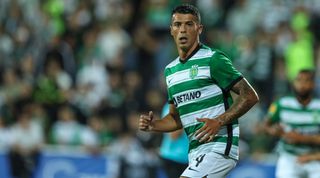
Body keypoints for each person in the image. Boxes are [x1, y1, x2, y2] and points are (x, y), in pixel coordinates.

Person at [139, 4, 259, 178]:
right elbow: (175, 118)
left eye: (189, 24)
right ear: (171, 30)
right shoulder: (170, 71)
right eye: (177, 25)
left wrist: (218, 121)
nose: (183, 30)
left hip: (219, 148)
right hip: (195, 152)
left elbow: (250, 95)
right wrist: (154, 125)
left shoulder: (213, 59)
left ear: (199, 29)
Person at [263, 69, 320, 178]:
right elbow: (266, 125)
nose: (302, 85)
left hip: (314, 157)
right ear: (293, 83)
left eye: (306, 81)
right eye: (299, 80)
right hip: (289, 157)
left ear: (313, 84)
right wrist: (273, 131)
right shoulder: (281, 104)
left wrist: (300, 138)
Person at [159, 103, 189, 178]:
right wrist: (187, 114)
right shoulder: (170, 107)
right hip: (174, 157)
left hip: (189, 157)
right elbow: (174, 135)